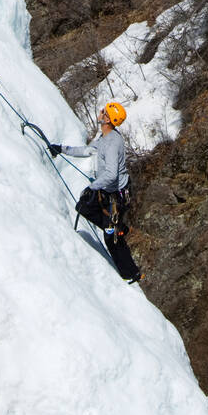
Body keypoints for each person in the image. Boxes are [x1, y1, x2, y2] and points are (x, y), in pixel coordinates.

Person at [49, 103, 143, 284]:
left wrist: (92, 188)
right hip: (107, 191)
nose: (100, 113)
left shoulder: (113, 143)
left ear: (107, 119)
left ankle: (131, 274)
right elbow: (87, 150)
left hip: (117, 195)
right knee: (83, 207)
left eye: (103, 112)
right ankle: (118, 228)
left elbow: (111, 174)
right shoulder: (104, 137)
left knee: (111, 238)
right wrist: (61, 149)